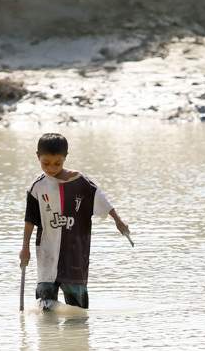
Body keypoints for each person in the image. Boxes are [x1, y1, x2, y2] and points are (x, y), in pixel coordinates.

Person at [19, 133, 130, 310]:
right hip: (47, 253)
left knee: (78, 311)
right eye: (45, 163)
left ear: (65, 158)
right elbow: (30, 220)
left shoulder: (80, 182)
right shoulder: (37, 187)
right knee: (44, 308)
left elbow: (101, 200)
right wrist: (25, 247)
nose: (51, 168)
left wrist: (118, 221)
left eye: (57, 163)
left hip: (75, 254)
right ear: (37, 156)